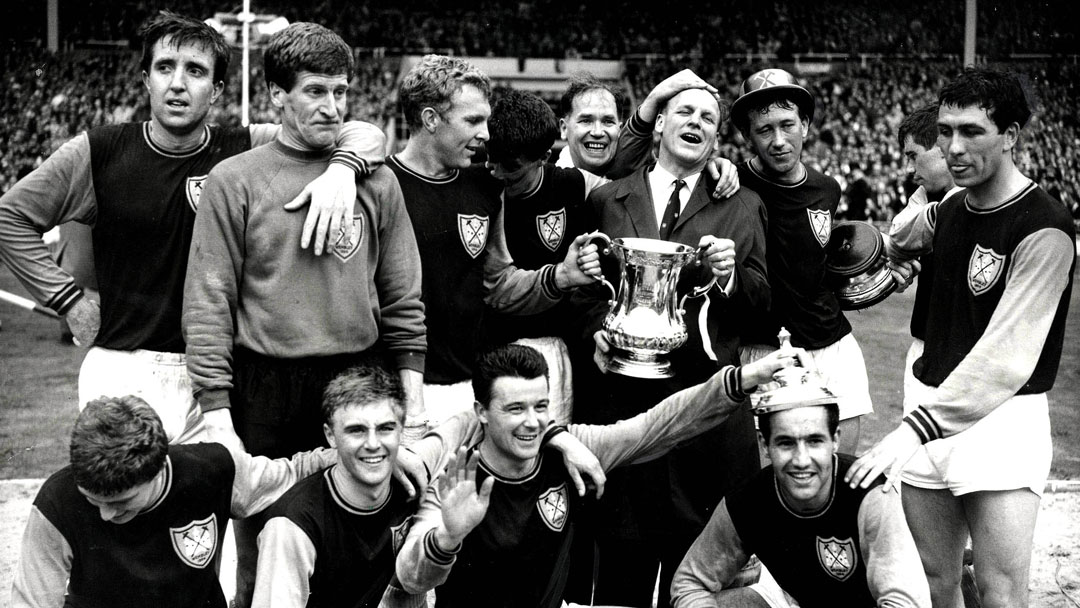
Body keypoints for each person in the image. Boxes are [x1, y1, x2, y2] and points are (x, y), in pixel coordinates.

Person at [0, 11, 385, 444]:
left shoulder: (246, 148)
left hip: (221, 371)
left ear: (218, 90)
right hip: (126, 363)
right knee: (126, 502)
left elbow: (359, 132)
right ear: (146, 79)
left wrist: (342, 171)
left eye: (196, 71)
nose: (177, 83)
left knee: (209, 507)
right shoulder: (99, 151)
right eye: (165, 67)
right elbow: (9, 217)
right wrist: (68, 301)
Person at [181, 23, 423, 608]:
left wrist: (410, 400)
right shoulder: (234, 180)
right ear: (276, 96)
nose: (332, 106)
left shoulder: (378, 181)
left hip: (358, 379)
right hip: (266, 386)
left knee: (365, 551)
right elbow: (208, 303)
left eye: (341, 91)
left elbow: (403, 296)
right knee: (264, 554)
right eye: (316, 91)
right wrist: (216, 411)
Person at [848, 67, 1076, 608]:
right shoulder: (950, 206)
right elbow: (897, 237)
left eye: (971, 131)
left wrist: (910, 431)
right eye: (946, 130)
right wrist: (882, 253)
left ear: (1012, 135)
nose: (952, 146)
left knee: (999, 592)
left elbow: (1006, 358)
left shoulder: (1044, 228)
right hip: (927, 402)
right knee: (933, 580)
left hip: (1000, 418)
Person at [395, 343, 798, 608]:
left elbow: (657, 426)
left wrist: (741, 380)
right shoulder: (458, 476)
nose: (532, 422)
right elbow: (411, 576)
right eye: (515, 409)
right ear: (481, 412)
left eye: (541, 406)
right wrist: (447, 537)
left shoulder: (570, 447)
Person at [575, 76, 769, 608]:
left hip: (702, 420)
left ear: (716, 142)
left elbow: (760, 300)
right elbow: (588, 290)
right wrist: (597, 328)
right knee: (619, 576)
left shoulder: (742, 205)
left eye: (709, 119)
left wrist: (730, 276)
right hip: (623, 410)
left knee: (694, 583)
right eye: (686, 112)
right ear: (659, 123)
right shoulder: (608, 199)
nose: (697, 123)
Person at [387, 54, 598, 427]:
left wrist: (560, 277)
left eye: (485, 119)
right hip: (394, 391)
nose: (486, 133)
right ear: (431, 119)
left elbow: (497, 284)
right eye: (473, 121)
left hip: (469, 387)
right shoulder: (381, 184)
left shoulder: (485, 183)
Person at [11, 395, 337, 608]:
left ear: (157, 470)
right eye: (91, 500)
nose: (106, 515)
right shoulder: (56, 502)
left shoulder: (213, 469)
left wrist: (356, 455)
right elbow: (31, 603)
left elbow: (293, 473)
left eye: (122, 501)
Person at [727, 68, 891, 455]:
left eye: (788, 124)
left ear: (805, 124)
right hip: (767, 352)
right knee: (774, 482)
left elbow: (818, 265)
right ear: (747, 136)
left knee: (840, 468)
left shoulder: (826, 188)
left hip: (835, 346)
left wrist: (879, 277)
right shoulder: (732, 185)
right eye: (765, 129)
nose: (779, 140)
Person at [669, 374, 930, 608]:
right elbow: (690, 582)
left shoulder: (867, 493)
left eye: (814, 441)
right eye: (786, 443)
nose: (801, 460)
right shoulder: (748, 501)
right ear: (764, 444)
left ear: (835, 440)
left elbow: (906, 602)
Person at [252, 365, 474, 608]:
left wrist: (450, 535)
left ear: (401, 431)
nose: (372, 443)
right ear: (331, 436)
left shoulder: (412, 478)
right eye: (356, 430)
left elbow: (462, 428)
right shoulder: (292, 525)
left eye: (385, 428)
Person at [892, 103, 960, 414]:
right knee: (917, 458)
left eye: (913, 155)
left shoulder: (991, 195)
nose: (908, 169)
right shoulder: (926, 196)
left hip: (975, 354)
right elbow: (900, 234)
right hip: (925, 347)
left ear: (943, 148)